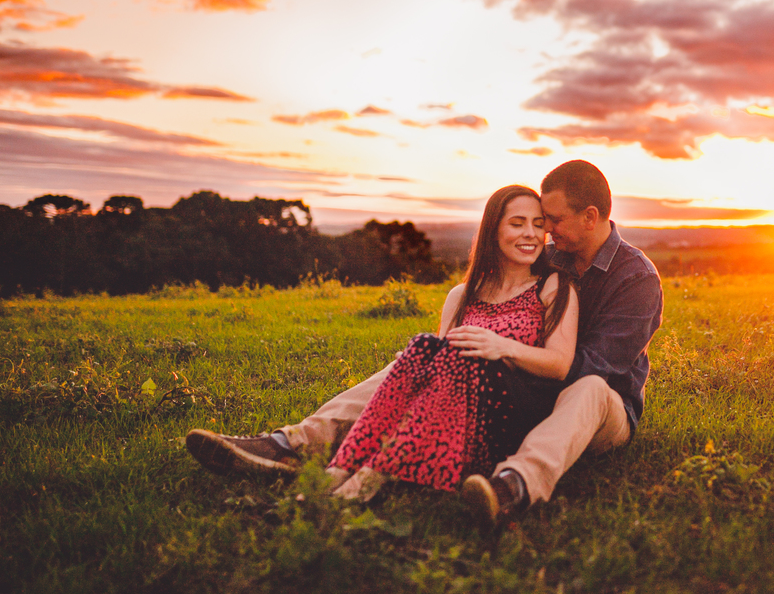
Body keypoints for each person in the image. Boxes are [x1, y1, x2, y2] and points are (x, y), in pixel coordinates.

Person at [185, 160, 664, 525]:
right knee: (415, 360)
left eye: (552, 220)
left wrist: (502, 357)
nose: (544, 231)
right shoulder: (550, 259)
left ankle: (513, 484)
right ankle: (291, 444)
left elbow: (593, 367)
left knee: (588, 390)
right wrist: (460, 366)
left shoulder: (635, 278)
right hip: (519, 392)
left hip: (599, 410)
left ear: (591, 216)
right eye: (536, 221)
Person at [324, 185, 577, 502]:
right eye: (517, 223)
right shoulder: (463, 294)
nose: (530, 234)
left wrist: (501, 346)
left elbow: (560, 364)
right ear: (493, 229)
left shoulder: (552, 286)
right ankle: (343, 467)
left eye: (538, 225)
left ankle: (372, 473)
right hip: (452, 418)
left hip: (510, 418)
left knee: (454, 353)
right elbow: (441, 373)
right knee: (424, 346)